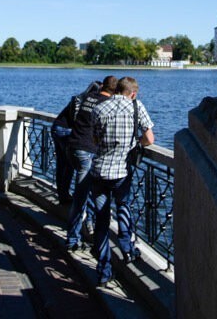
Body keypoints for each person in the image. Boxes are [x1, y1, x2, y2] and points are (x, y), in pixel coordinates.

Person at [89, 76, 154, 287]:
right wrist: (134, 144)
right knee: (123, 207)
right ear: (132, 93)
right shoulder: (136, 107)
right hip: (121, 172)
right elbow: (149, 139)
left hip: (99, 172)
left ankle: (104, 271)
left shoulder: (99, 108)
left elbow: (95, 139)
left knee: (101, 221)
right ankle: (128, 249)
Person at [65, 75, 117, 251]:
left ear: (102, 85)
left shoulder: (89, 97)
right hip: (87, 152)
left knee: (87, 193)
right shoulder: (107, 104)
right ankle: (73, 239)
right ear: (114, 92)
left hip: (72, 147)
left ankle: (89, 226)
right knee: (80, 197)